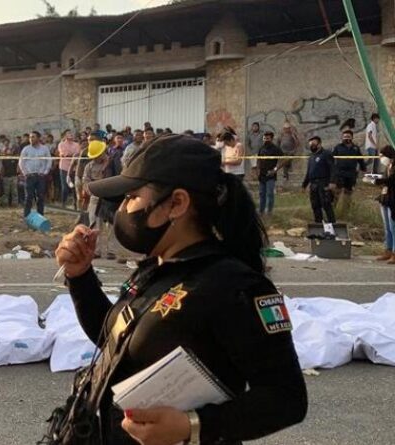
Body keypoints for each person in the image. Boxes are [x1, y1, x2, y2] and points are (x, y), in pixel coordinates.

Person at [53, 134, 307, 445]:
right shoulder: (155, 270)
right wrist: (80, 276)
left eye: (132, 197)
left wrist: (193, 426)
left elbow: (287, 398)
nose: (122, 209)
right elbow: (114, 343)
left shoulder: (235, 286)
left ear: (176, 203)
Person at [82, 140, 115, 260]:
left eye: (98, 155)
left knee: (111, 225)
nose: (96, 158)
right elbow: (85, 181)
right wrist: (92, 191)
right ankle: (96, 250)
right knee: (95, 224)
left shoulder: (112, 164)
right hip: (95, 198)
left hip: (110, 198)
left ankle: (111, 250)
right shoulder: (89, 166)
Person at [302, 136, 337, 224]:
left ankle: (332, 224)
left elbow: (332, 168)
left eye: (314, 143)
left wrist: (332, 182)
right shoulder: (311, 157)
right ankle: (318, 224)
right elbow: (309, 172)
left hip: (323, 183)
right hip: (313, 185)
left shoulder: (326, 154)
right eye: (310, 144)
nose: (312, 145)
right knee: (315, 205)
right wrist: (304, 185)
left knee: (326, 204)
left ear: (319, 144)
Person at [332, 130, 367, 218]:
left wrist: (363, 168)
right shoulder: (338, 147)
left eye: (348, 136)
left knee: (348, 194)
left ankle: (345, 213)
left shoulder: (356, 148)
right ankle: (332, 212)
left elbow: (360, 159)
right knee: (336, 193)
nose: (346, 138)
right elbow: (331, 159)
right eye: (344, 137)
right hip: (339, 174)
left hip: (351, 174)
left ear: (352, 137)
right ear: (342, 137)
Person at [19, 131, 52, 217]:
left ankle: (40, 216)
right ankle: (26, 216)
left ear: (38, 138)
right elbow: (21, 162)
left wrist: (45, 172)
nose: (31, 139)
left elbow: (49, 161)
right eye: (30, 137)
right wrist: (25, 173)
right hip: (30, 176)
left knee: (40, 197)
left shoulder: (44, 149)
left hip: (40, 176)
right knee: (28, 197)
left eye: (33, 137)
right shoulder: (26, 149)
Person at [372, 146, 395, 263]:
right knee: (387, 228)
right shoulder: (387, 167)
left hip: (393, 200)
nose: (381, 158)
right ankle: (388, 250)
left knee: (393, 227)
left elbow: (392, 181)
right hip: (385, 198)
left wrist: (378, 181)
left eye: (382, 156)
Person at [257, 131, 284, 215]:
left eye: (267, 138)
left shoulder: (276, 149)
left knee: (269, 193)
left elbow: (283, 160)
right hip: (262, 175)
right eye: (264, 138)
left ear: (271, 139)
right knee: (261, 193)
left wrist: (275, 170)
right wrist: (258, 170)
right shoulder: (261, 148)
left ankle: (269, 211)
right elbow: (258, 159)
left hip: (270, 175)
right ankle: (261, 211)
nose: (266, 140)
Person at [58, 130, 80, 208]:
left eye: (71, 133)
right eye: (68, 133)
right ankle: (63, 203)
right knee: (65, 187)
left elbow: (77, 154)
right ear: (65, 135)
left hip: (74, 168)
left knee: (74, 187)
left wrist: (70, 155)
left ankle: (75, 204)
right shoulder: (61, 144)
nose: (70, 134)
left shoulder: (77, 144)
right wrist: (71, 155)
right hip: (64, 168)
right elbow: (64, 154)